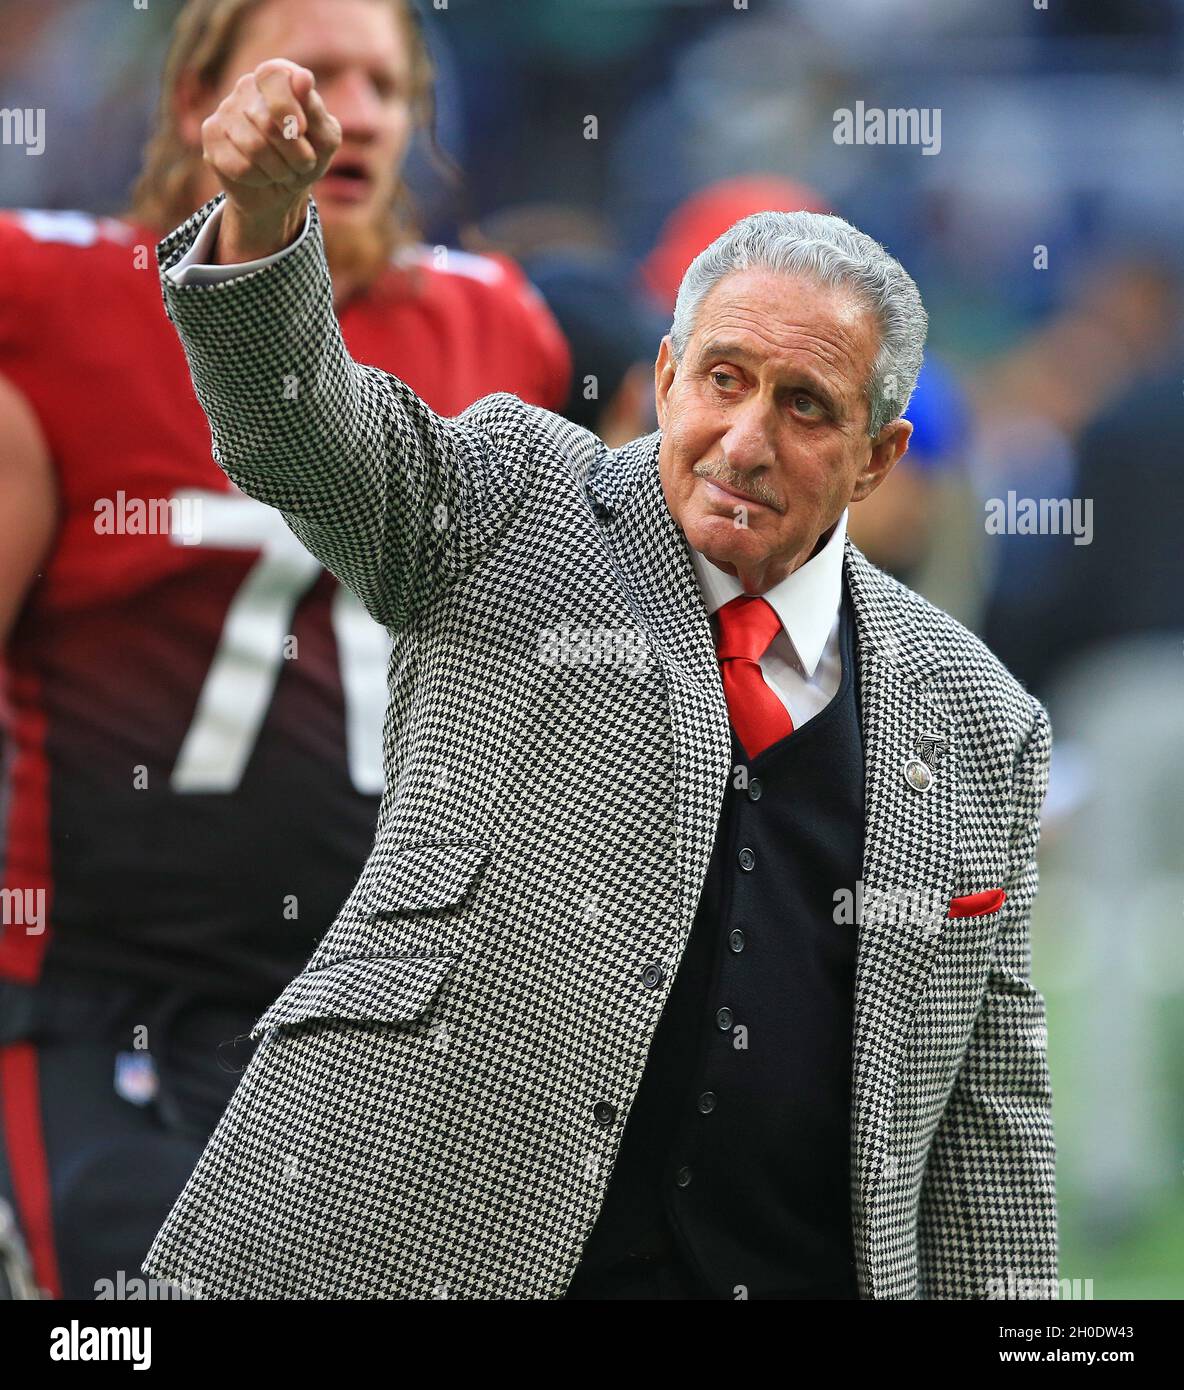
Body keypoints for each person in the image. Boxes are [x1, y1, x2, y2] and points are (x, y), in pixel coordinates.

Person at [143, 60, 1057, 1300]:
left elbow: (986, 1127)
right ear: (668, 372)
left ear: (877, 457)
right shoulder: (514, 497)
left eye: (803, 407)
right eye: (724, 379)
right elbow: (304, 432)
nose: (744, 440)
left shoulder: (980, 719)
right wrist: (262, 225)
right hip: (395, 1258)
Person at [0, 0, 568, 1300]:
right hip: (116, 993)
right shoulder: (60, 301)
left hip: (385, 1010)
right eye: (317, 71)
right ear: (201, 92)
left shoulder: (494, 328)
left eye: (387, 80)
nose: (355, 107)